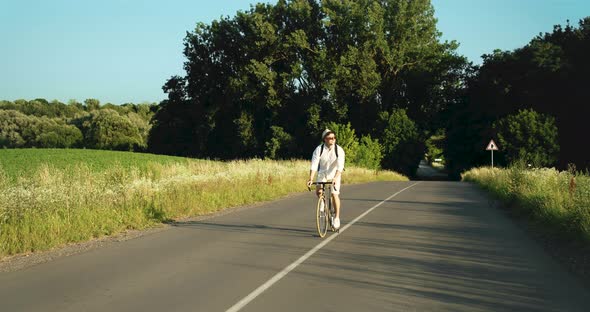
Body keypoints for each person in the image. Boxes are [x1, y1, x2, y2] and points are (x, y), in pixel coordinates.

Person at [306, 129, 345, 229]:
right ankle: (322, 202)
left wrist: (335, 178)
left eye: (334, 138)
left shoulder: (339, 150)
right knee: (318, 191)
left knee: (334, 194)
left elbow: (340, 167)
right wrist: (310, 178)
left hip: (335, 173)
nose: (332, 140)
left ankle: (336, 218)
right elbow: (314, 165)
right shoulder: (319, 149)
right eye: (330, 138)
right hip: (323, 172)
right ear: (325, 139)